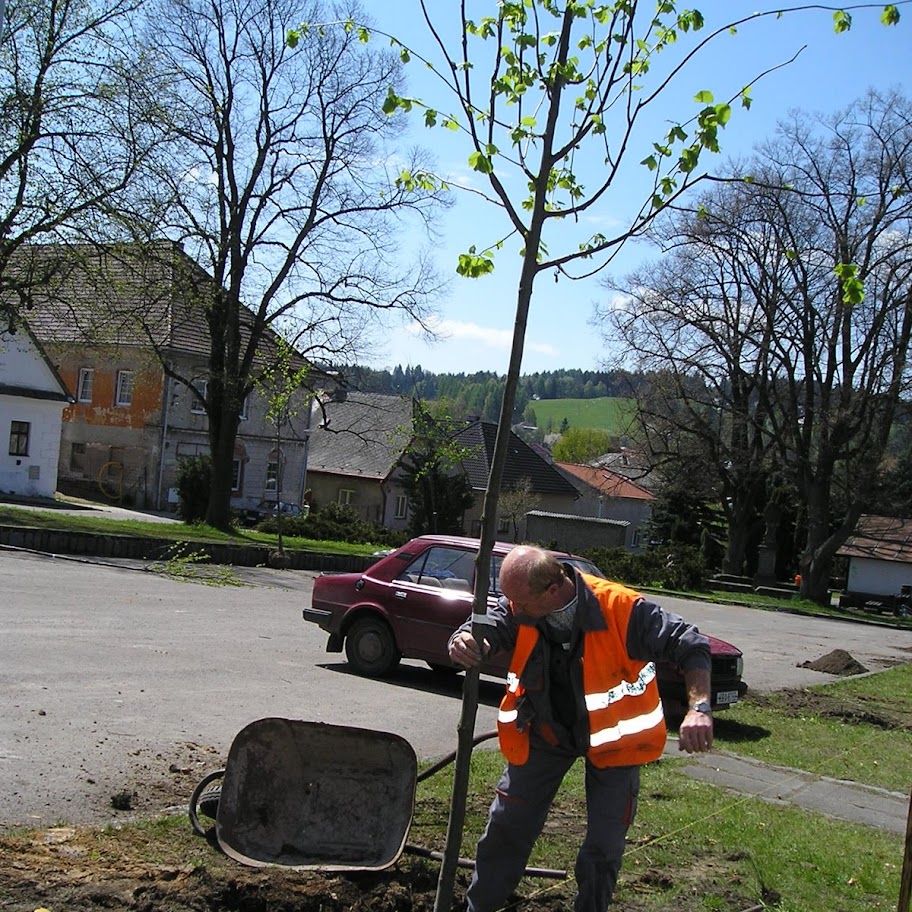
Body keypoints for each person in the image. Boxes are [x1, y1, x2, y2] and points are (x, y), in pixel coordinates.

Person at [448, 545, 714, 912]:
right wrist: (467, 639)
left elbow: (691, 644)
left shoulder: (624, 610)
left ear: (553, 591)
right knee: (506, 826)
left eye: (521, 603)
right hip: (547, 733)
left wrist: (698, 708)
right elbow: (493, 623)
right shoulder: (523, 604)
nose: (515, 609)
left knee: (603, 847)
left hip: (614, 743)